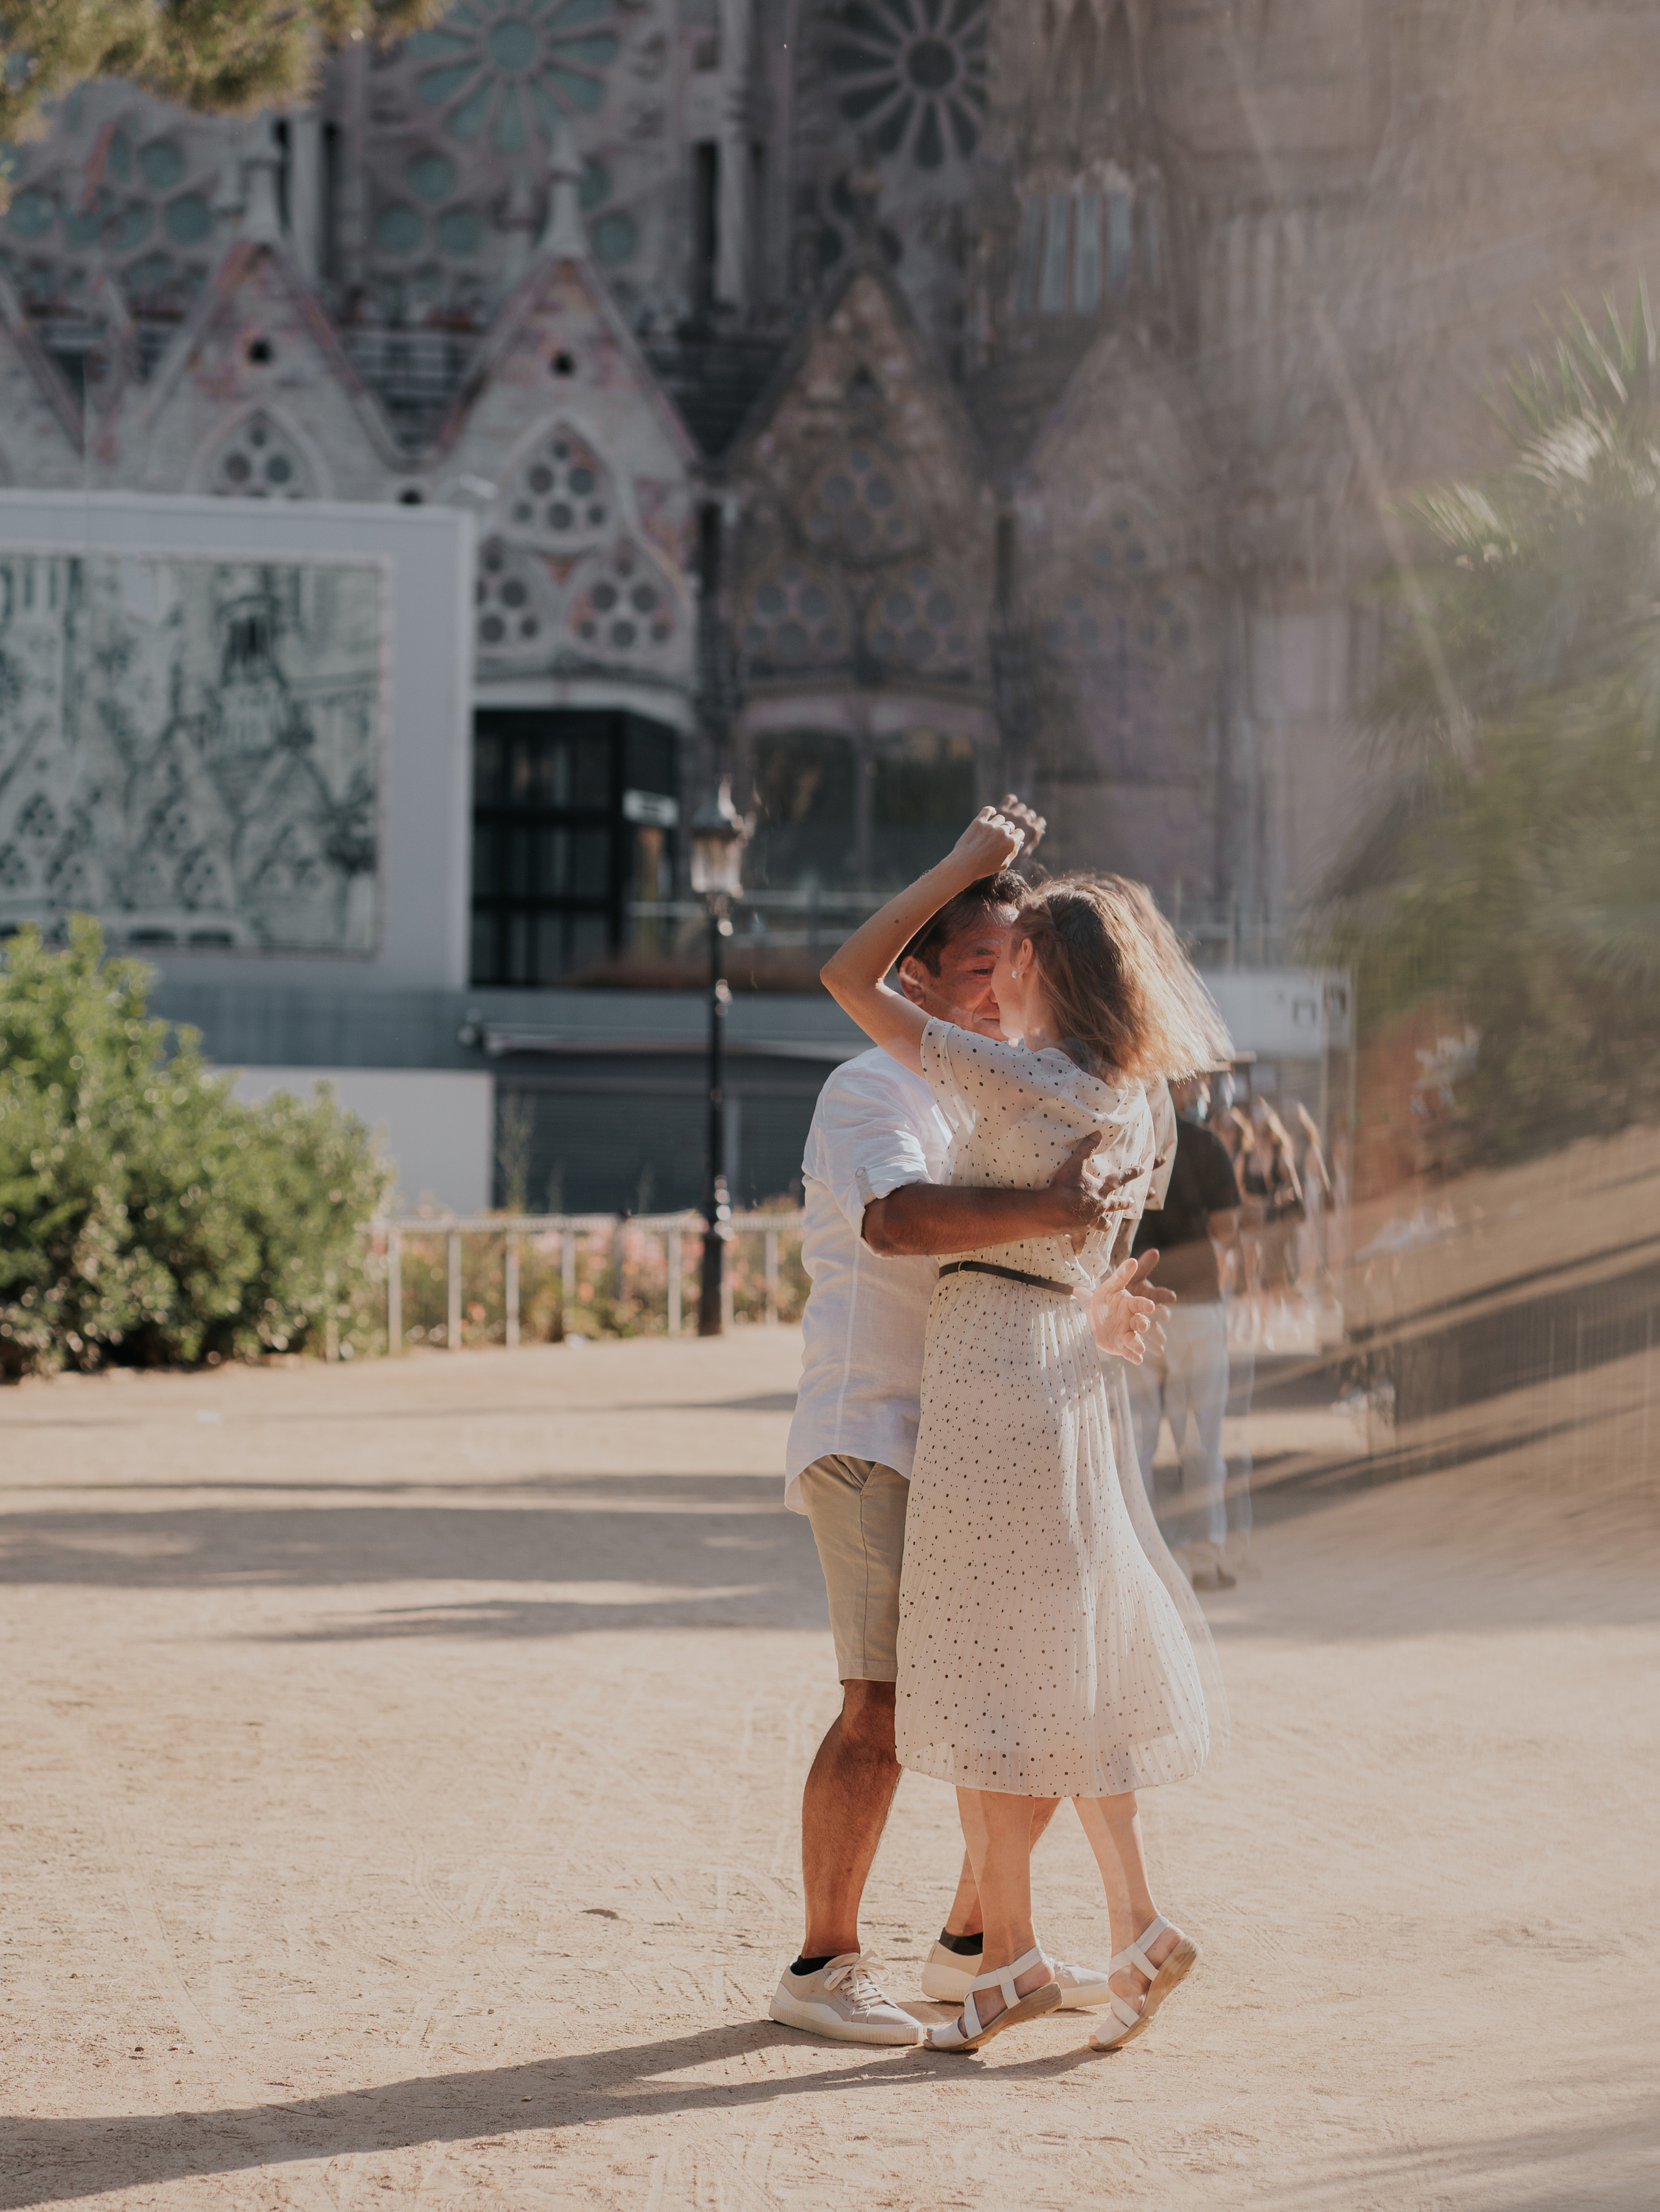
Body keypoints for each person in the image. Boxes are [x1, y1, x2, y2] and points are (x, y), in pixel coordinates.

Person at [820, 807, 1231, 2055]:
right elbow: (1078, 1246)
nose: (997, 975)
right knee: (1073, 1650)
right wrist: (1089, 1296)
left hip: (996, 1365)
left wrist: (957, 866)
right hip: (1067, 1364)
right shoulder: (1137, 1099)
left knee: (988, 1664)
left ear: (1049, 972)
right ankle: (1119, 1925)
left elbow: (847, 977)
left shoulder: (1016, 1075)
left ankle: (1011, 1957)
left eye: (1015, 958)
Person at [1124, 1074, 1244, 1590]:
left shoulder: (1129, 1139)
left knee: (1138, 1444)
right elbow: (1227, 1230)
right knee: (1201, 1441)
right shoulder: (1207, 1144)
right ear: (1187, 1083)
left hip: (1137, 1301)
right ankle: (1205, 1558)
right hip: (1195, 1304)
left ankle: (1143, 1561)